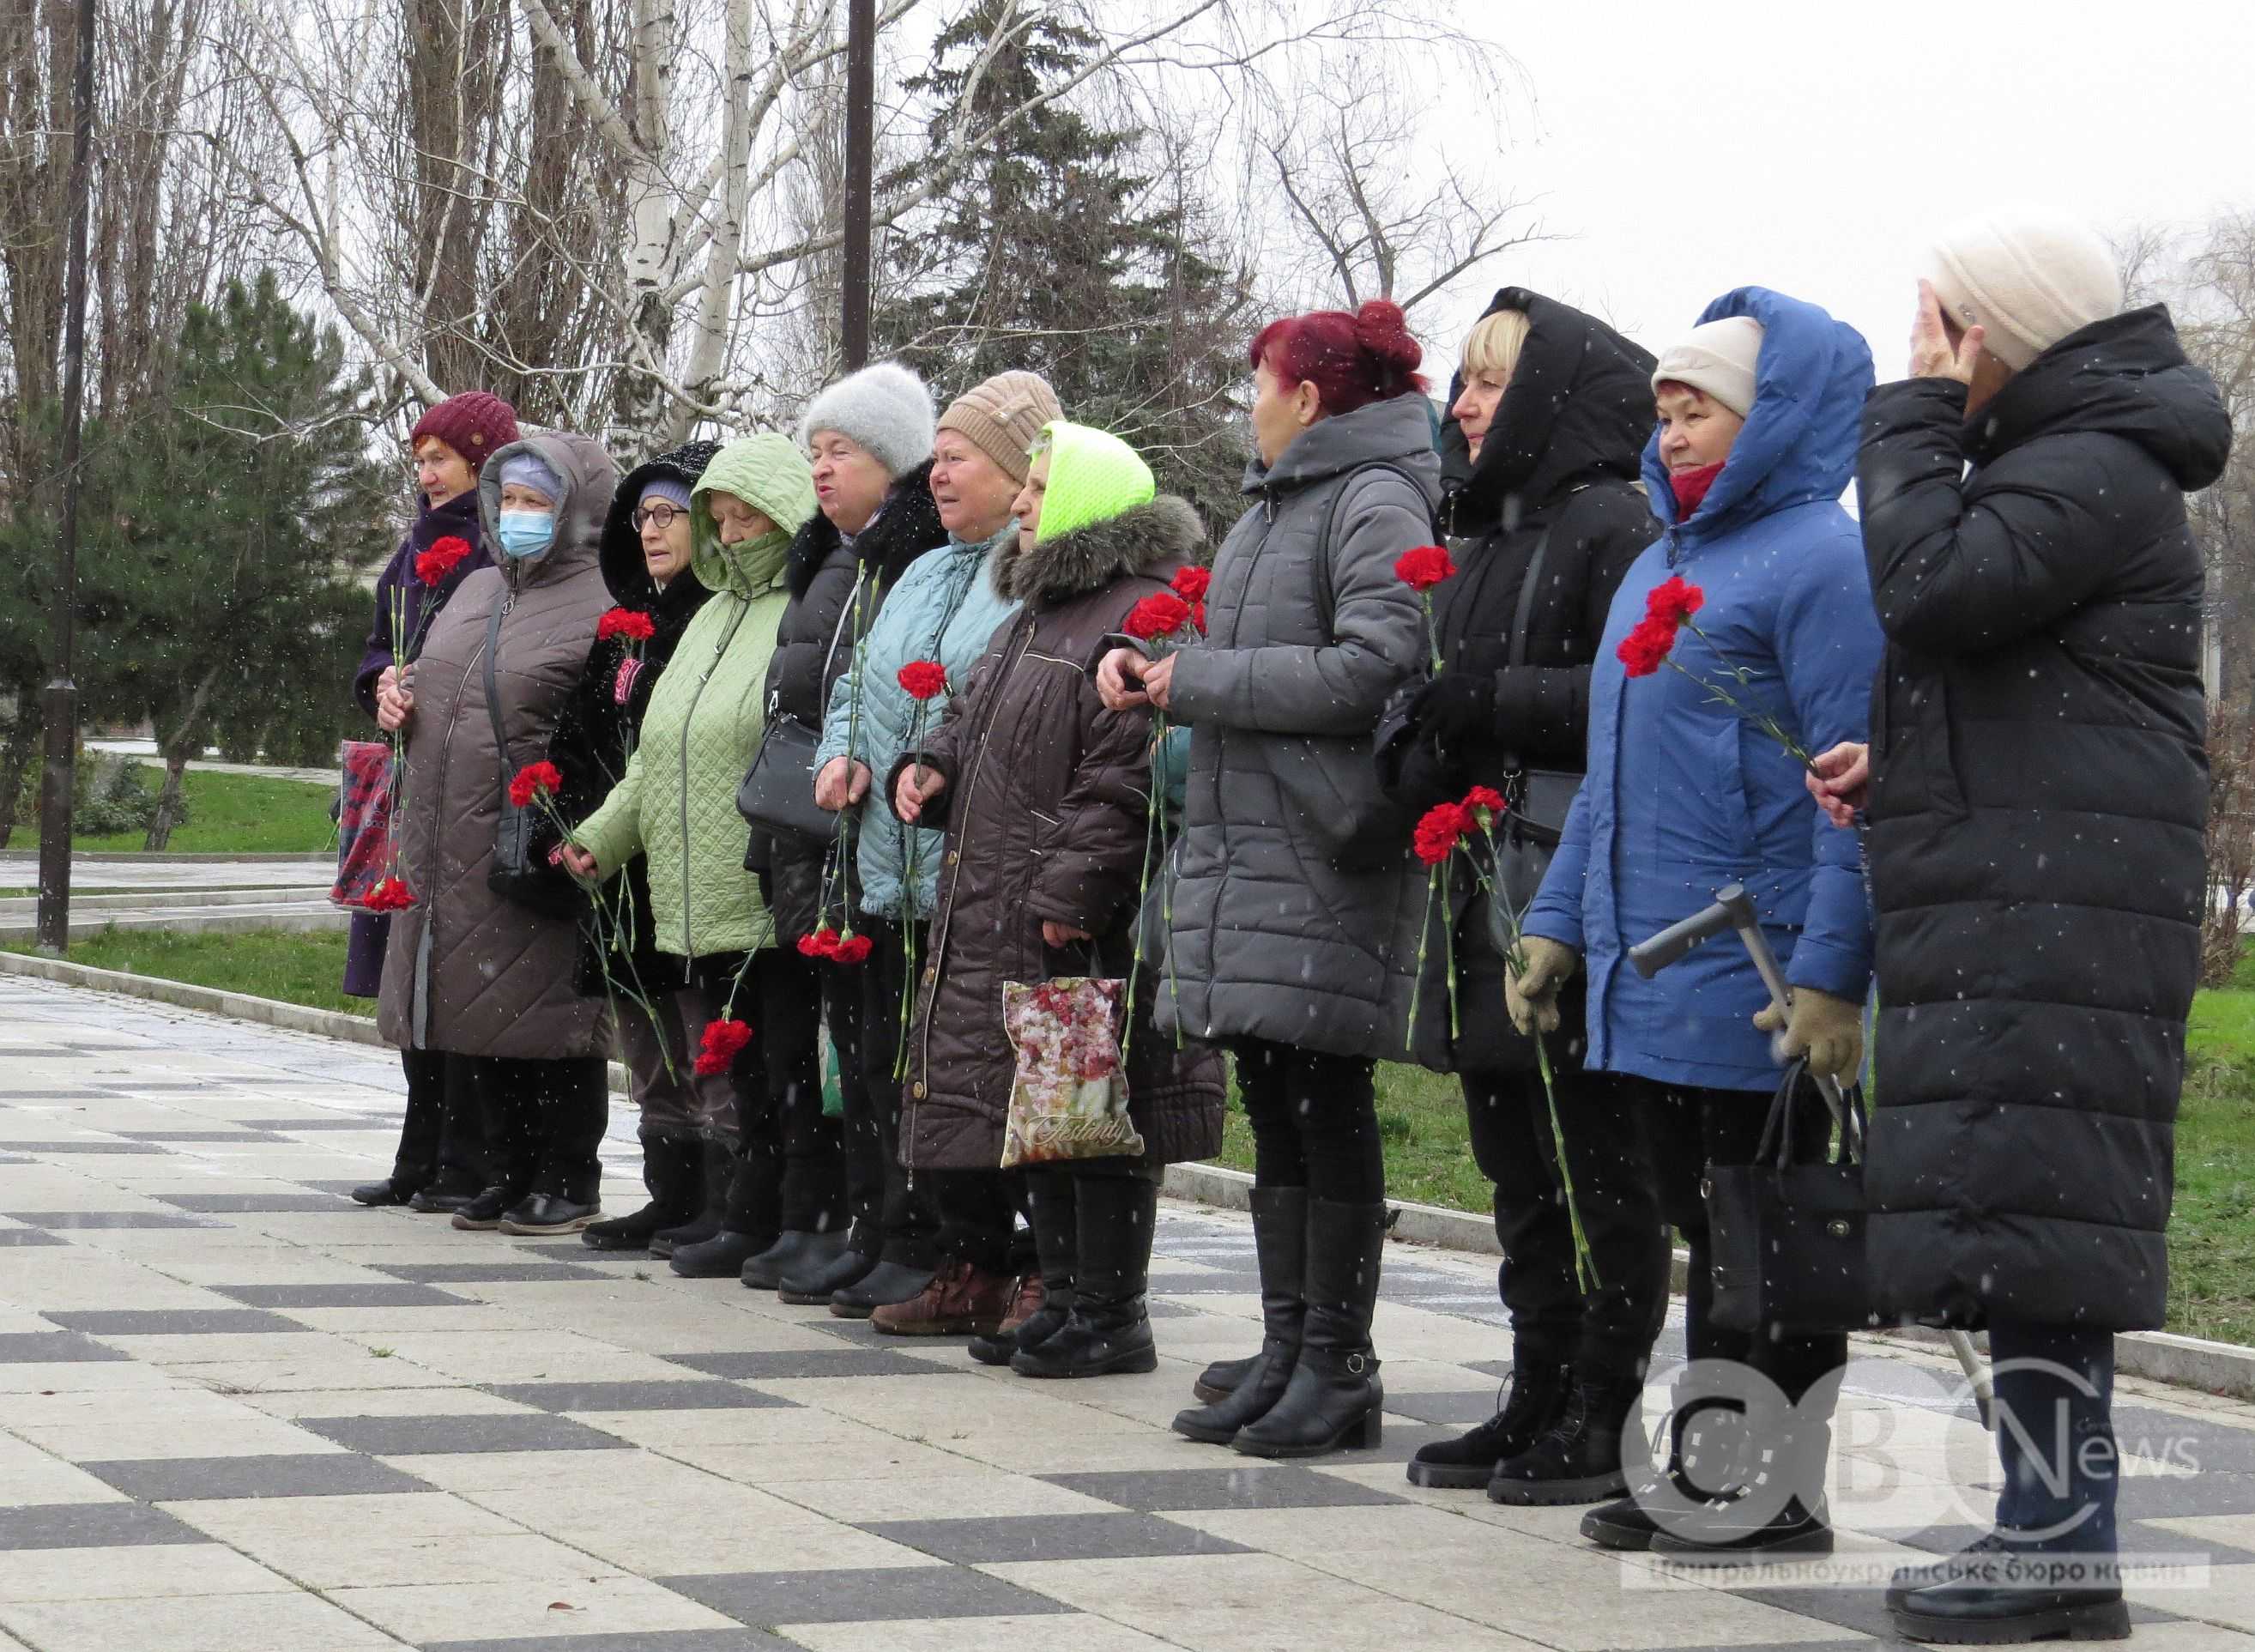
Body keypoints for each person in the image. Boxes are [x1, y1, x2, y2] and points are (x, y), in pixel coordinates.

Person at [1805, 216, 2229, 1644]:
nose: (1920, 347)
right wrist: (1898, 761)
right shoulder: (2063, 463)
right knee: (2018, 1212)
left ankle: (2058, 1549)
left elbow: (1926, 588)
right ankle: (2047, 1533)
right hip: (2030, 885)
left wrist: (1912, 406)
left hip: (2061, 906)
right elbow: (2005, 663)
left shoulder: (2092, 464)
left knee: (2037, 1217)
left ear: (1985, 331)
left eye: (1936, 325)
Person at [1505, 290, 1883, 1560]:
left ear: (1768, 420)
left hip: (1762, 956)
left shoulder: (1823, 560)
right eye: (1662, 410)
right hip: (1651, 951)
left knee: (1769, 1228)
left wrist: (1833, 974)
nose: (1671, 434)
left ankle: (1771, 1484)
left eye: (1700, 409)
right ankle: (1715, 1461)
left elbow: (1857, 785)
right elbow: (1615, 777)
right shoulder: (1658, 566)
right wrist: (1559, 922)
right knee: (1702, 1222)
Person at [1098, 299, 1437, 1459]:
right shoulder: (1275, 510)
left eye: (1263, 383)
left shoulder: (1374, 499)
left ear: (1310, 396)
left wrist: (1197, 678)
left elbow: (1376, 668)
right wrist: (1167, 680)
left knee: (1324, 1100)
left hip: (1322, 853)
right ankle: (1293, 1343)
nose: (1251, 404)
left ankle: (1339, 1361)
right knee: (1277, 1101)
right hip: (1254, 849)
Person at [1375, 289, 1673, 1503]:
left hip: (1568, 876)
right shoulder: (1487, 531)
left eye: (1492, 381)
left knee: (1591, 1154)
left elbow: (1629, 699)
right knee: (1515, 1153)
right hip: (1486, 876)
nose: (1465, 404)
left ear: (1553, 392)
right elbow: (1463, 683)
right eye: (1462, 381)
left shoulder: (1610, 523)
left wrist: (1490, 702)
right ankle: (1535, 1386)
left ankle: (1603, 1404)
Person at [893, 421, 1225, 1377]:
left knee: (1099, 1120)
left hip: (1080, 921)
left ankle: (1112, 1312)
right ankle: (1069, 1297)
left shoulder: (1143, 612)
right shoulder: (1039, 611)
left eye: (1040, 487)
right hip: (1014, 905)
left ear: (1084, 498)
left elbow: (1129, 773)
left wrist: (1075, 888)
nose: (1025, 503)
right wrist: (930, 766)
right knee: (1048, 1115)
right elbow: (975, 714)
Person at [784, 371, 1061, 1322]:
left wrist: (928, 762)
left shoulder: (1023, 574)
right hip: (880, 861)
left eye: (958, 458)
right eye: (935, 457)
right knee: (886, 1064)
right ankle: (933, 1247)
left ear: (1022, 468)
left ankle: (996, 1253)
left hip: (961, 872)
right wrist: (841, 755)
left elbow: (991, 707)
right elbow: (861, 683)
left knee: (971, 1077)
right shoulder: (920, 571)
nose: (936, 476)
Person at [562, 434, 828, 1274]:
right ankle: (746, 1215)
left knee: (776, 1067)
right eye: (721, 511)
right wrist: (598, 837)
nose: (734, 526)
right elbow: (656, 755)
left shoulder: (801, 608)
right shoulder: (709, 614)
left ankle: (786, 1218)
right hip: (687, 888)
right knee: (736, 1066)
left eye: (749, 510)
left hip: (758, 887)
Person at [718, 362, 950, 1291]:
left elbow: (867, 683)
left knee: (878, 1043)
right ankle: (858, 1223)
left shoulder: (905, 559)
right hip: (815, 822)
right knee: (841, 1045)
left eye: (840, 450)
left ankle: (898, 1228)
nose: (820, 467)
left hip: (876, 829)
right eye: (813, 450)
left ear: (894, 461)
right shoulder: (835, 556)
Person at [376, 433, 619, 1237]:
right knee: (479, 1002)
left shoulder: (601, 599)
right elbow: (436, 687)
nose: (518, 516)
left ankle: (566, 1174)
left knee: (548, 1007)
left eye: (538, 502)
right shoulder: (478, 589)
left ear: (578, 512)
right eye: (509, 500)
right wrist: (397, 699)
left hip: (533, 833)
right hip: (449, 833)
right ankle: (506, 1168)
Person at [546, 439, 726, 1252]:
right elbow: (583, 729)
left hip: (681, 857)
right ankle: (669, 1190)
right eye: (643, 514)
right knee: (646, 1040)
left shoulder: (710, 620)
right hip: (617, 862)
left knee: (699, 1038)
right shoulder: (628, 623)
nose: (653, 530)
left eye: (671, 514)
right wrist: (580, 815)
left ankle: (718, 1198)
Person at [348, 390, 518, 1211]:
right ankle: (422, 1152)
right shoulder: (412, 547)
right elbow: (381, 641)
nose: (426, 476)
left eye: (440, 459)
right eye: (418, 461)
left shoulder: (499, 553)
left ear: (481, 461)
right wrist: (379, 682)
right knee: (408, 967)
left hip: (466, 781)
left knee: (457, 974)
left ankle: (466, 1154)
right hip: (408, 778)